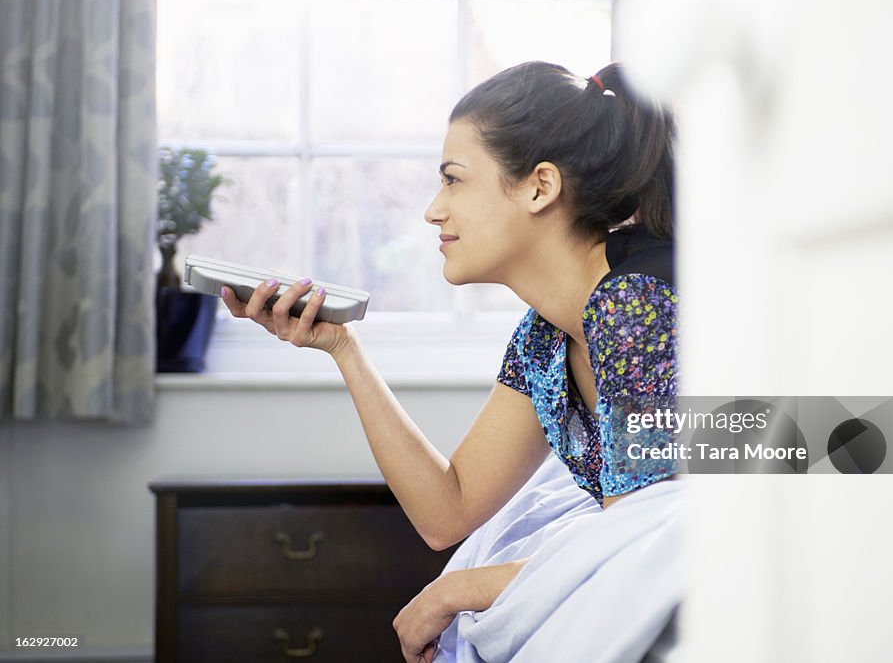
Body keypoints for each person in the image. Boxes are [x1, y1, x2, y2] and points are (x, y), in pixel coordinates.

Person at [221, 60, 679, 662]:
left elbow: (631, 556)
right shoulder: (545, 335)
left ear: (540, 186)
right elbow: (449, 509)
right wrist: (343, 349)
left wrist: (457, 592)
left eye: (454, 180)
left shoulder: (636, 303)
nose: (434, 210)